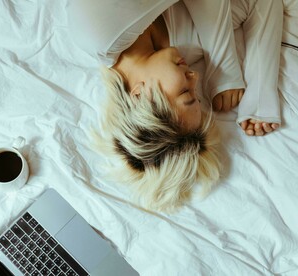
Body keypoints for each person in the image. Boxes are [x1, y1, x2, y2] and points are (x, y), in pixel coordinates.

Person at [67, 0, 283, 212]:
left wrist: (224, 69)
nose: (195, 76)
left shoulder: (97, 32)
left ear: (140, 96)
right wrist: (259, 95)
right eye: (197, 95)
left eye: (185, 92)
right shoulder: (187, 45)